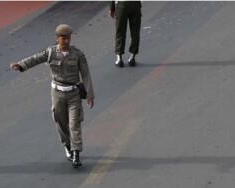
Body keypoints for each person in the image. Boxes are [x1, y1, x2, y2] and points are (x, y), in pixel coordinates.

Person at [10, 24, 95, 168]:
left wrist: (90, 94)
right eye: (63, 38)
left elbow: (86, 74)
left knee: (74, 123)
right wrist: (21, 65)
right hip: (57, 93)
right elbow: (35, 58)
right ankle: (67, 146)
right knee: (61, 122)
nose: (67, 41)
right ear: (57, 39)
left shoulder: (78, 55)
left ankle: (76, 153)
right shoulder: (50, 52)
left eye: (68, 38)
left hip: (73, 93)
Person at [110, 1, 142, 67]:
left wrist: (111, 8)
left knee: (120, 31)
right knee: (135, 32)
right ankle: (132, 56)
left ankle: (119, 58)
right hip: (135, 5)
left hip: (122, 5)